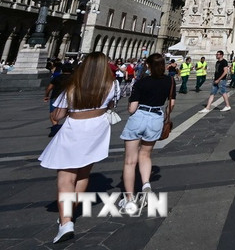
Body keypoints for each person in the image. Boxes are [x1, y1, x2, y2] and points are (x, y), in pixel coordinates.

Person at [38, 52, 119, 244]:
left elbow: (58, 116)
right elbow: (112, 105)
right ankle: (67, 214)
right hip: (97, 131)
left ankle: (66, 222)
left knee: (66, 177)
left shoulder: (72, 87)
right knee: (83, 175)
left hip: (74, 131)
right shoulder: (111, 85)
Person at [118, 53, 176, 213]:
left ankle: (129, 199)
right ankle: (146, 185)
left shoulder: (141, 82)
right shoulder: (169, 81)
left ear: (149, 66)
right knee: (146, 155)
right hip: (156, 117)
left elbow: (132, 108)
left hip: (139, 117)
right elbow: (171, 104)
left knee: (130, 161)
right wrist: (164, 115)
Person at [44, 63, 73, 137]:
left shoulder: (57, 77)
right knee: (69, 113)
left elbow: (49, 88)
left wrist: (46, 95)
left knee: (52, 114)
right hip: (69, 98)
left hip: (55, 97)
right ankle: (63, 128)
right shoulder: (74, 78)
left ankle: (55, 127)